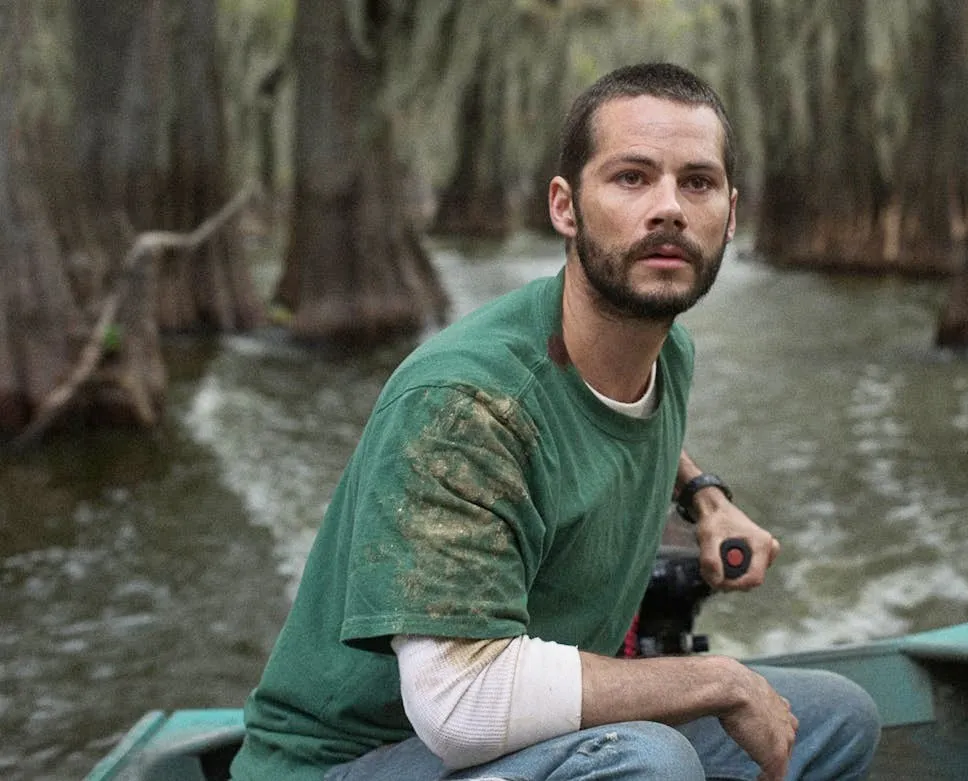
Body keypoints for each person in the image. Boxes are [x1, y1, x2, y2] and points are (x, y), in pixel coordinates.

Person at [230, 62, 880, 781]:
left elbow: (614, 424)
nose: (667, 207)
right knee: (647, 761)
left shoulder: (666, 352)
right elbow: (461, 705)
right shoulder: (464, 403)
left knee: (837, 716)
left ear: (731, 212)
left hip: (514, 744)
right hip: (350, 763)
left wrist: (706, 498)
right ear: (565, 207)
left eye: (695, 182)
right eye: (632, 177)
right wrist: (716, 680)